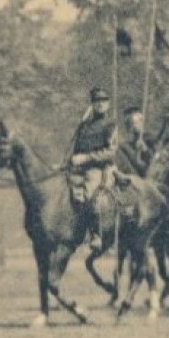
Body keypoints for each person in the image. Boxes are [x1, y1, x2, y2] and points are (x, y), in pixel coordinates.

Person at [67, 86, 118, 248]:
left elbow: (111, 152)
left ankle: (96, 233)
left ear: (108, 104)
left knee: (90, 193)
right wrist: (70, 161)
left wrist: (86, 158)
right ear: (92, 104)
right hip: (80, 168)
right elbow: (77, 149)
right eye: (97, 101)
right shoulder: (84, 125)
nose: (100, 104)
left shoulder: (111, 124)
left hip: (100, 168)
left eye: (104, 101)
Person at [116, 106, 153, 177]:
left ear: (142, 122)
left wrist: (145, 150)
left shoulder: (150, 138)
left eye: (135, 123)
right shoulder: (131, 141)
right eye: (130, 124)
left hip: (147, 172)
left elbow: (155, 160)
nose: (132, 126)